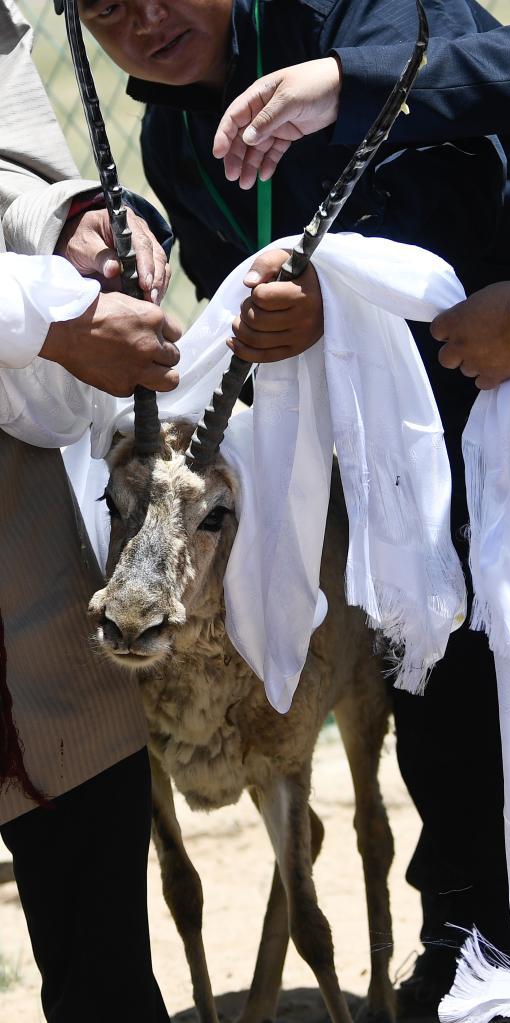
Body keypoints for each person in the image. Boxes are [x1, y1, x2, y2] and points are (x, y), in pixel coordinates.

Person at [78, 1, 510, 1020]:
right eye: (100, 9)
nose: (140, 21)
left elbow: (474, 172)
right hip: (411, 431)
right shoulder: (178, 132)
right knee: (427, 646)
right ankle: (468, 934)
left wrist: (361, 293)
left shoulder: (360, 11)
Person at [0, 2, 182, 1019]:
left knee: (100, 960)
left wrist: (79, 226)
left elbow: (17, 174)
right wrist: (47, 316)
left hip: (26, 573)